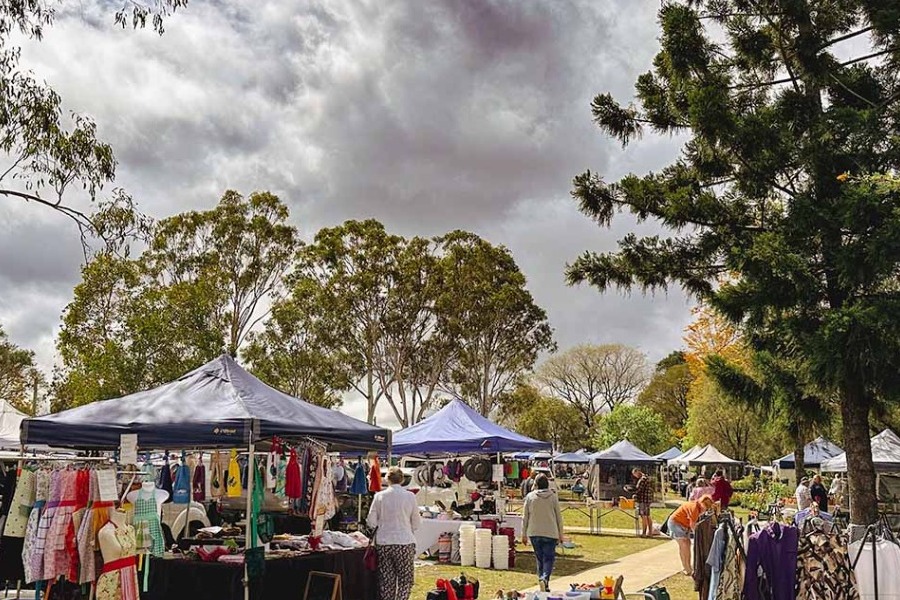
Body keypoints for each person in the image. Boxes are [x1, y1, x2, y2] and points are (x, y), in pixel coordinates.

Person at [366, 466, 421, 600]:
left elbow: (371, 521)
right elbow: (416, 522)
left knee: (386, 581)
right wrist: (409, 528)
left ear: (387, 479)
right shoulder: (410, 496)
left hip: (384, 542)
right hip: (404, 541)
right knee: (405, 580)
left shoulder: (379, 496)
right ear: (402, 479)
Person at [522, 474, 564, 592]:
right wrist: (561, 534)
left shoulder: (530, 497)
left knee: (539, 559)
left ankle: (542, 581)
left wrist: (524, 534)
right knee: (549, 559)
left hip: (534, 532)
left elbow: (525, 517)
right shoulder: (553, 497)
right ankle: (545, 579)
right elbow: (558, 517)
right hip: (550, 532)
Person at [667, 495, 715, 576]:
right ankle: (687, 568)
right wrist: (698, 538)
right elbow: (693, 526)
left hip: (684, 525)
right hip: (676, 523)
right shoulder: (694, 508)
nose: (706, 509)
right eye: (706, 506)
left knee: (687, 544)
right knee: (684, 545)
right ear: (702, 503)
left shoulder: (698, 507)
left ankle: (688, 567)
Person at [631, 468, 653, 537]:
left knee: (644, 516)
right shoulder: (647, 477)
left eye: (635, 475)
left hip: (643, 500)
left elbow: (638, 490)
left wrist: (634, 494)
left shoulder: (642, 479)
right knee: (648, 515)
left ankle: (644, 532)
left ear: (638, 472)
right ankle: (650, 532)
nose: (636, 477)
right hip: (648, 500)